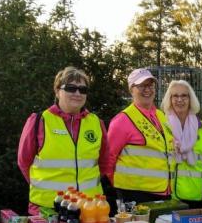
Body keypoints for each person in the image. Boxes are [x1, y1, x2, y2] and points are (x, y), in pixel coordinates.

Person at [18, 67, 111, 215]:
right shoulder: (39, 121)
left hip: (90, 208)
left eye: (82, 90)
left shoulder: (96, 123)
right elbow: (24, 162)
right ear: (57, 91)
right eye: (71, 88)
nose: (77, 93)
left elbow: (105, 162)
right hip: (48, 209)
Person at [107, 69, 175, 203]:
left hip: (163, 191)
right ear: (131, 89)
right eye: (142, 86)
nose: (147, 90)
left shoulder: (162, 116)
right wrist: (117, 187)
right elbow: (108, 158)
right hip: (133, 194)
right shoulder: (122, 120)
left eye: (150, 85)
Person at [161, 80, 202, 206]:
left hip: (193, 194)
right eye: (175, 96)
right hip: (166, 193)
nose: (179, 99)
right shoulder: (162, 125)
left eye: (184, 96)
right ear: (169, 99)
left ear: (190, 99)